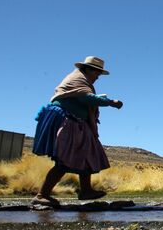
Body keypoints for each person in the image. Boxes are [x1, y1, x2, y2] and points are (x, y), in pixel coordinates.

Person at [31, 56, 123, 206]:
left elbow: (84, 97)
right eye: (96, 73)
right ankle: (42, 195)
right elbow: (85, 98)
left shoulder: (82, 81)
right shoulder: (77, 79)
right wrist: (110, 102)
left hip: (75, 121)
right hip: (65, 120)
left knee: (86, 153)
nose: (97, 77)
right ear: (88, 69)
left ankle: (86, 190)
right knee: (65, 160)